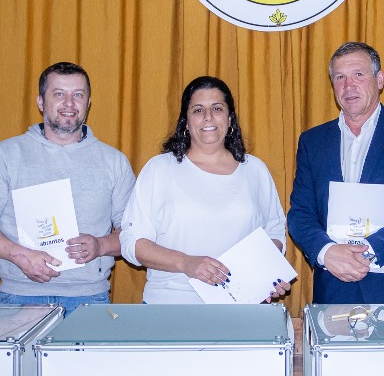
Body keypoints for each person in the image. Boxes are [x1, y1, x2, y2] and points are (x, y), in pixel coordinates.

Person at [0, 62, 135, 314]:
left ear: (88, 103)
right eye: (59, 94)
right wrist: (20, 256)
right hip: (19, 297)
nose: (69, 103)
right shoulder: (7, 155)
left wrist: (101, 245)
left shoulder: (114, 161)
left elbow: (133, 232)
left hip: (89, 300)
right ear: (41, 102)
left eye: (78, 95)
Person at [288, 42, 384, 304]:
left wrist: (369, 250)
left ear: (379, 80)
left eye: (358, 74)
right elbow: (300, 213)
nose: (348, 86)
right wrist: (326, 252)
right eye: (340, 77)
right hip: (335, 289)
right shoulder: (312, 141)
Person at [120, 76, 289, 304]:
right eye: (198, 110)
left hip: (240, 307)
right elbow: (133, 242)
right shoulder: (159, 169)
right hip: (170, 305)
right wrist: (186, 263)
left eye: (217, 108)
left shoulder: (255, 170)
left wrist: (267, 273)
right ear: (186, 122)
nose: (208, 117)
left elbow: (275, 232)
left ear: (230, 119)